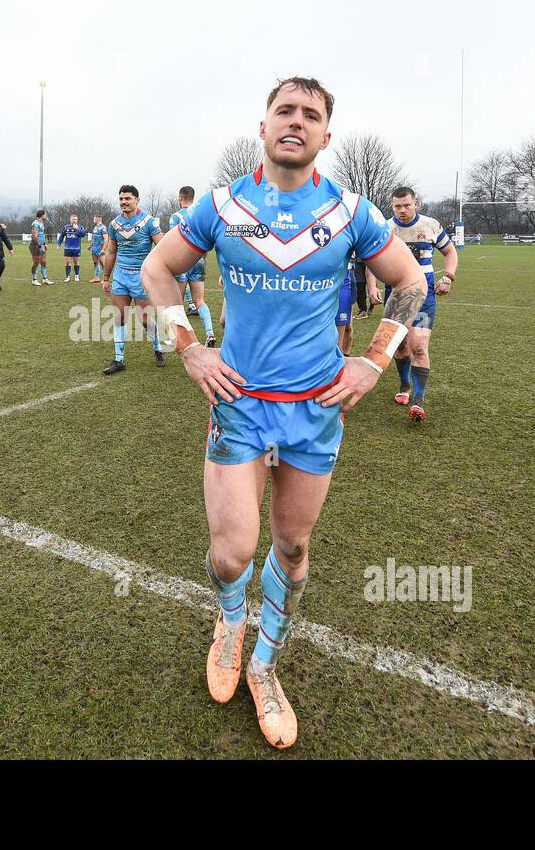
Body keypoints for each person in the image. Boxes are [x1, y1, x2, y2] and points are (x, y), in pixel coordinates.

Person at [140, 77, 424, 749]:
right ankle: (230, 621)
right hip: (237, 405)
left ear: (326, 135)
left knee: (293, 547)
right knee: (233, 551)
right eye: (285, 111)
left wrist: (374, 362)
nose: (296, 121)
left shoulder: (351, 211)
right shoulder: (221, 205)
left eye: (312, 114)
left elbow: (410, 281)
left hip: (315, 407)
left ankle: (265, 665)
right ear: (263, 126)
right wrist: (189, 349)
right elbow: (157, 270)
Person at [383, 186, 458, 422]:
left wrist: (448, 277)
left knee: (418, 347)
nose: (402, 210)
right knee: (400, 347)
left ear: (416, 204)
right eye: (397, 206)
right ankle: (404, 383)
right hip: (395, 296)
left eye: (407, 205)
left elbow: (450, 253)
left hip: (424, 297)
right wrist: (373, 286)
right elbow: (371, 257)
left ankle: (418, 400)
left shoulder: (430, 225)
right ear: (392, 206)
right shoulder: (386, 229)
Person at [101, 185, 164, 374]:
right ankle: (119, 359)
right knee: (120, 316)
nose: (123, 202)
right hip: (120, 276)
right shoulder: (114, 224)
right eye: (121, 199)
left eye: (127, 198)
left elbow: (161, 247)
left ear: (137, 200)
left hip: (141, 277)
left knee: (145, 319)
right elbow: (111, 251)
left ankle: (158, 348)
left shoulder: (149, 222)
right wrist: (106, 277)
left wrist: (159, 271)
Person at [168, 186, 216, 347]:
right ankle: (210, 333)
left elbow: (173, 243)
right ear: (192, 198)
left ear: (180, 197)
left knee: (178, 304)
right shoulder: (200, 214)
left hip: (182, 262)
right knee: (200, 301)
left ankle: (183, 340)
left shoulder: (175, 217)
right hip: (199, 261)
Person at [57, 214, 88, 281]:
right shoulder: (66, 227)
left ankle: (76, 276)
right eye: (73, 219)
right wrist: (58, 244)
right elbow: (62, 236)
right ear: (70, 219)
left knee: (76, 262)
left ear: (77, 220)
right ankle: (67, 277)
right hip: (67, 248)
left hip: (76, 249)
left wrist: (77, 229)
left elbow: (83, 235)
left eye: (76, 219)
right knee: (67, 263)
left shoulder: (80, 227)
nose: (74, 221)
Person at [30, 210, 51, 285]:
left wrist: (44, 244)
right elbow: (35, 237)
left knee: (44, 262)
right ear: (42, 215)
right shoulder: (35, 224)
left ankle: (45, 279)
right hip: (35, 246)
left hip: (41, 245)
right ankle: (34, 279)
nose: (46, 216)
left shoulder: (41, 223)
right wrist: (39, 246)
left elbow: (42, 235)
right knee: (36, 262)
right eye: (45, 214)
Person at [88, 214, 107, 283]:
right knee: (95, 263)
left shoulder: (103, 228)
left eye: (94, 219)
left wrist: (103, 249)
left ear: (97, 219)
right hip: (94, 248)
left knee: (103, 263)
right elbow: (94, 237)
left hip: (100, 248)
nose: (93, 220)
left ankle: (105, 279)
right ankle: (96, 278)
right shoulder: (95, 227)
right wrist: (91, 245)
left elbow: (106, 239)